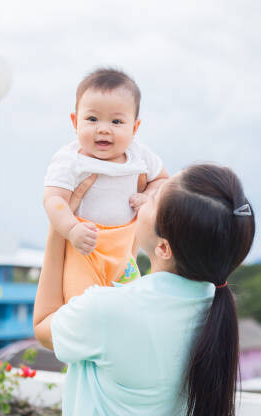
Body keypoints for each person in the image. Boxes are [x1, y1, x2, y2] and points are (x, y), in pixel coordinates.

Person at [34, 164, 255, 416]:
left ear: (163, 248)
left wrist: (59, 226)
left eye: (152, 199)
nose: (141, 198)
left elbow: (43, 325)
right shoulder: (214, 309)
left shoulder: (109, 311)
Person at [43, 68, 168, 301]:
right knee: (83, 303)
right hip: (85, 247)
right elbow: (53, 199)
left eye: (116, 121)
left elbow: (162, 180)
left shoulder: (138, 153)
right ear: (75, 121)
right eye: (92, 119)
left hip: (124, 251)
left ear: (134, 128)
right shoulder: (71, 159)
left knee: (129, 300)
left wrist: (148, 196)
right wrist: (71, 229)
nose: (103, 128)